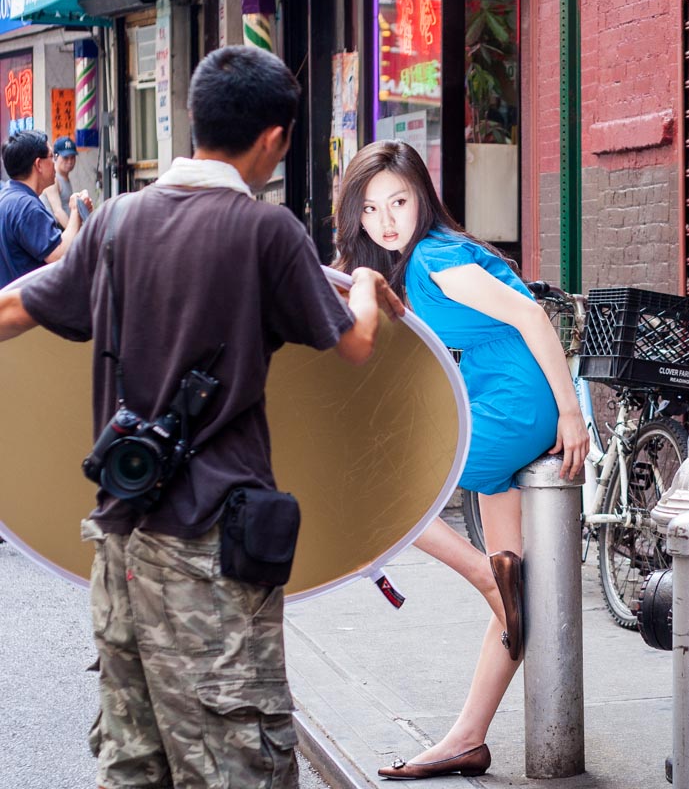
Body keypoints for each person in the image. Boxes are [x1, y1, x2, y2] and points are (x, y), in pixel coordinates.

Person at [0, 45, 403, 789]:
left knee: (134, 766)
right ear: (275, 138)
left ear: (194, 118)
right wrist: (369, 288)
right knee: (237, 766)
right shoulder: (267, 232)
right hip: (213, 548)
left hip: (119, 544)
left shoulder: (114, 221)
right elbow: (355, 345)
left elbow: (16, 308)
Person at [332, 139, 588, 780]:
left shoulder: (436, 257)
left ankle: (481, 574)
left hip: (516, 403)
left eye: (399, 202)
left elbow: (532, 317)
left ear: (423, 197)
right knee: (520, 595)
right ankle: (467, 739)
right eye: (370, 210)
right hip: (493, 398)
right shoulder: (411, 263)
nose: (386, 221)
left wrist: (571, 413)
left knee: (377, 486)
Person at [0, 129, 92, 287]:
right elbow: (59, 254)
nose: (55, 163)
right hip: (27, 300)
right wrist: (76, 211)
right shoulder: (27, 207)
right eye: (52, 156)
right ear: (38, 164)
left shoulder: (8, 197)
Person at [41, 135, 87, 228]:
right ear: (55, 156)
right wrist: (75, 233)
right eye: (65, 158)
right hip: (54, 229)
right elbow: (58, 212)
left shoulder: (64, 177)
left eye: (72, 157)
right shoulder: (53, 179)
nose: (69, 161)